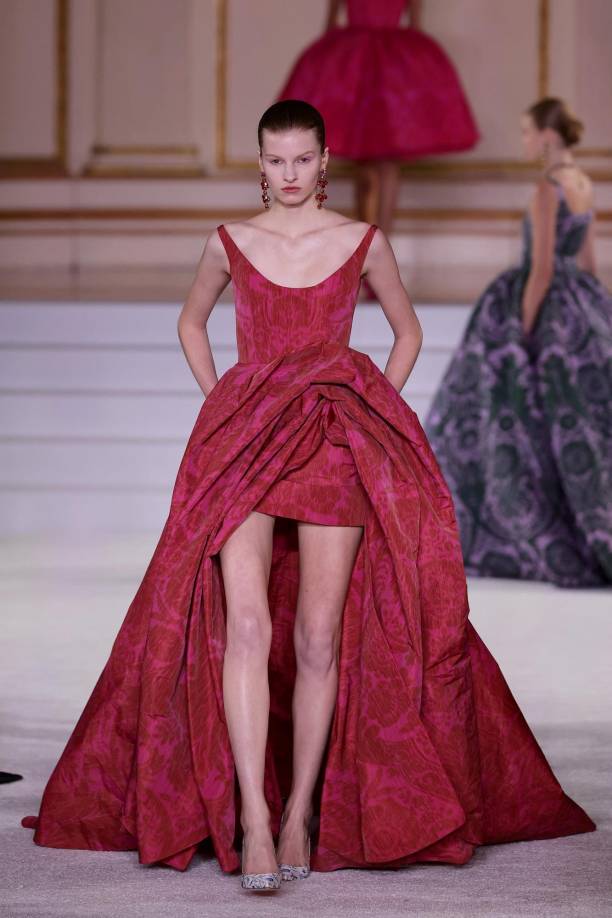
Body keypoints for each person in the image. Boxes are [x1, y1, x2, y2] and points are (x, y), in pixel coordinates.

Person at [22, 100, 595, 895]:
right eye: (276, 161)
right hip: (247, 445)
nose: (289, 174)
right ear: (261, 164)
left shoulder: (362, 241)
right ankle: (255, 819)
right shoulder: (232, 242)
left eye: (303, 160)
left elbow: (407, 332)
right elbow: (191, 324)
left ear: (324, 162)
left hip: (331, 445)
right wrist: (221, 402)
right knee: (248, 625)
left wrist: (367, 413)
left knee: (320, 636)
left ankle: (297, 813)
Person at [424, 97, 612, 587]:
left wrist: (522, 331)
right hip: (580, 307)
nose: (526, 141)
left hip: (538, 304)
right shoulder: (584, 184)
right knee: (565, 421)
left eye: (529, 132)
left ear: (548, 137)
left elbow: (543, 268)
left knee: (504, 414)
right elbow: (589, 264)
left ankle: (498, 528)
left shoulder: (548, 189)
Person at [275, 0, 479, 236]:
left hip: (389, 69)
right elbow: (330, 25)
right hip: (356, 66)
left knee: (387, 164)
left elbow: (414, 24)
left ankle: (382, 240)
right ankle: (367, 241)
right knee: (368, 166)